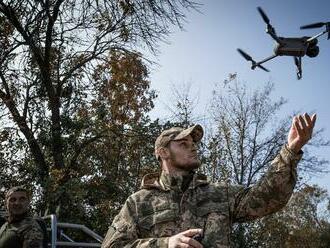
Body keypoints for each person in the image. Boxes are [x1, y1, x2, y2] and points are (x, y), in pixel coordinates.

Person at [102, 113, 317, 248]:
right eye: (183, 144)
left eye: (194, 143)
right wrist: (166, 244)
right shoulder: (139, 202)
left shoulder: (219, 194)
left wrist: (291, 150)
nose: (193, 147)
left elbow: (267, 197)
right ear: (163, 152)